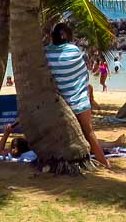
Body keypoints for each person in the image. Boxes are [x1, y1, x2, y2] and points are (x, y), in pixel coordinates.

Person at [45, 22, 110, 168]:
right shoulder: (74, 50)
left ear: (52, 36)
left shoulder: (46, 52)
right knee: (89, 132)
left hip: (61, 103)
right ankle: (104, 162)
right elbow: (83, 74)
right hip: (80, 101)